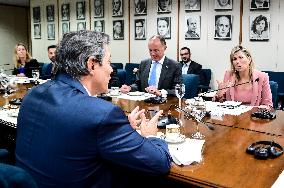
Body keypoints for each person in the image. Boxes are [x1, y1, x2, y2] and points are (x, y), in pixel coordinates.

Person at [15, 30, 171, 188]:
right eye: (109, 62)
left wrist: (120, 129)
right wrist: (151, 137)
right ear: (91, 65)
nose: (111, 70)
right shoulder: (101, 114)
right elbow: (159, 163)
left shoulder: (32, 94)